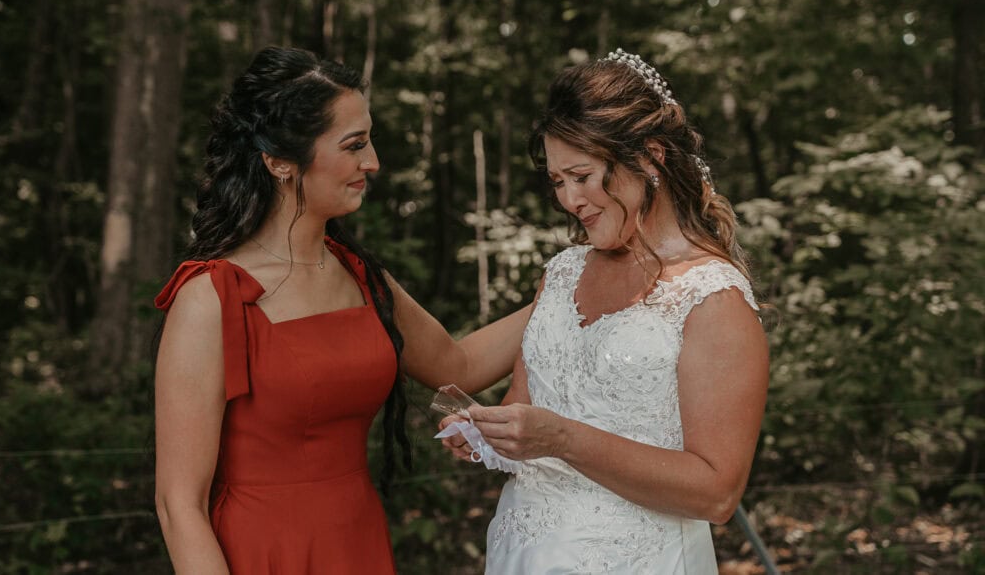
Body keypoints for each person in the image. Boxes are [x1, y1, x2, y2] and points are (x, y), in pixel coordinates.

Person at [152, 46, 531, 574]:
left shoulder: (360, 275)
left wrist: (565, 292)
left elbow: (457, 366)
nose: (372, 162)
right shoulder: (211, 297)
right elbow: (178, 505)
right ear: (281, 161)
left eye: (368, 140)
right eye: (354, 146)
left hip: (357, 542)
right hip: (263, 552)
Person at [440, 49, 769, 573]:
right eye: (556, 181)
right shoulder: (563, 273)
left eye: (582, 175)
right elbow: (526, 411)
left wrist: (561, 438)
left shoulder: (712, 297)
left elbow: (716, 494)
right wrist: (489, 433)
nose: (569, 199)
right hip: (522, 553)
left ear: (650, 157)